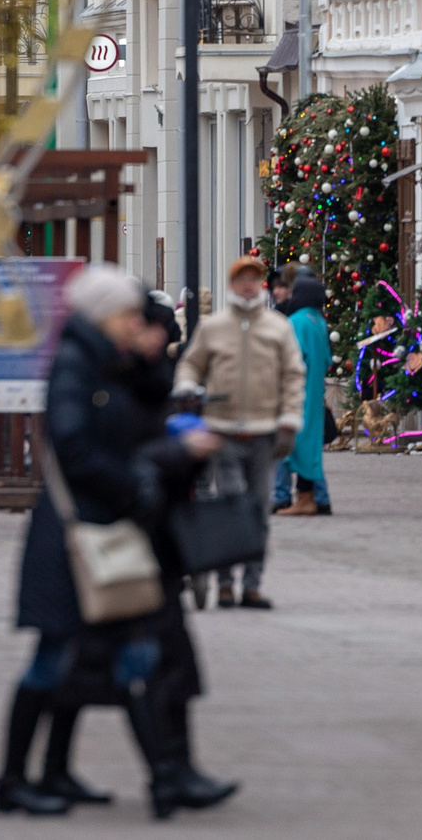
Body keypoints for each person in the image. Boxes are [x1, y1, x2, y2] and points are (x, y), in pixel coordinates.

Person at [0, 266, 232, 819]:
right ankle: (12, 781)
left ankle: (165, 779)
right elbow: (76, 448)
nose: (137, 323)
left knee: (133, 657)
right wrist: (137, 483)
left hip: (107, 530)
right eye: (129, 314)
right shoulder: (77, 364)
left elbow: (131, 420)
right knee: (53, 662)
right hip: (76, 539)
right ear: (105, 315)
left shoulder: (105, 362)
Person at [173, 255, 302, 609]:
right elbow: (191, 364)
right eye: (241, 280)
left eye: (253, 279)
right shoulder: (214, 327)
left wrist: (290, 419)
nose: (248, 286)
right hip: (223, 431)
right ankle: (226, 583)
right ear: (232, 285)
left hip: (264, 432)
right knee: (231, 506)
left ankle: (252, 585)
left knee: (259, 510)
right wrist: (187, 386)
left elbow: (293, 374)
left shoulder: (278, 328)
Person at [273, 271, 334, 516]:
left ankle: (300, 498)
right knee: (310, 447)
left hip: (297, 392)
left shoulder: (296, 322)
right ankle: (319, 498)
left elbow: (288, 359)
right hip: (315, 392)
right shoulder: (319, 322)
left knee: (290, 445)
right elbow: (327, 359)